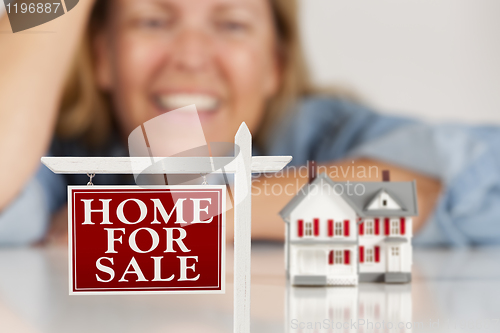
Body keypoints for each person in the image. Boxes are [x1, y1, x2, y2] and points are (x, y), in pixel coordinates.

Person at [0, 0, 498, 247]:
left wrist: (142, 220)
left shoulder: (319, 134)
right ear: (101, 57)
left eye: (231, 24)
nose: (191, 57)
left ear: (274, 67)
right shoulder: (57, 154)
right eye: (152, 21)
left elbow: (444, 189)